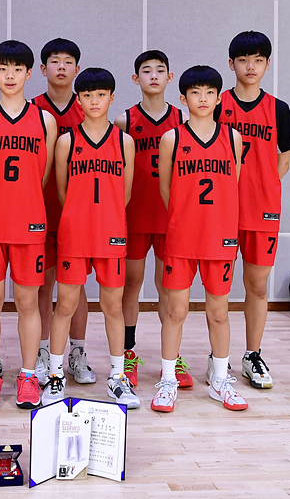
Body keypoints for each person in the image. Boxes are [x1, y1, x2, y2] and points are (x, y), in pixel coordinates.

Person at [152, 65, 247, 412]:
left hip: (219, 238)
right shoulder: (172, 138)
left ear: (219, 98)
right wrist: (185, 220)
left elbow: (232, 185)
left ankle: (220, 380)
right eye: (195, 92)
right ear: (183, 98)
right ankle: (168, 380)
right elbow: (166, 189)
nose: (202, 98)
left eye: (209, 92)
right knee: (175, 310)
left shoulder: (232, 138)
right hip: (183, 238)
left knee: (219, 312)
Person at [0, 40, 57, 410]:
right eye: (3, 68)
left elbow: (43, 175)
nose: (10, 75)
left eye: (17, 69)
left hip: (29, 224)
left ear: (29, 73)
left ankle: (27, 375)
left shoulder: (45, 121)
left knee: (27, 302)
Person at [45, 68, 138, 407]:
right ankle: (55, 376)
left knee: (113, 306)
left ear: (111, 98)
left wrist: (105, 218)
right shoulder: (66, 142)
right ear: (79, 99)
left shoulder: (124, 142)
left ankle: (117, 377)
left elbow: (124, 194)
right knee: (65, 304)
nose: (94, 101)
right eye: (87, 95)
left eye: (100, 95)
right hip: (75, 235)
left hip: (111, 235)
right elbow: (62, 191)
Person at [214, 31, 290, 389]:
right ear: (231, 63)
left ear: (267, 64)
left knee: (258, 286)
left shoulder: (279, 109)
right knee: (218, 289)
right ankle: (217, 358)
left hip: (262, 210)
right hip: (221, 211)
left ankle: (252, 355)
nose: (251, 66)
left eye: (258, 60)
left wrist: (259, 187)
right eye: (244, 60)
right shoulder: (216, 104)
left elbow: (284, 161)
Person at [112, 50, 187, 387]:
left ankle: (173, 357)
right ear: (135, 78)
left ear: (170, 77)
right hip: (134, 216)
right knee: (131, 285)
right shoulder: (124, 121)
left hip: (171, 217)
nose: (153, 76)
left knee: (168, 288)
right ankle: (128, 353)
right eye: (146, 70)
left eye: (160, 70)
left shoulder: (182, 119)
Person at [30, 38, 95, 387]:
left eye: (68, 61)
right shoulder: (32, 110)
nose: (61, 67)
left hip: (78, 214)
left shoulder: (89, 109)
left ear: (77, 69)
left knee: (75, 288)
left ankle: (78, 352)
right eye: (54, 61)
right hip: (39, 211)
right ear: (43, 69)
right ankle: (43, 352)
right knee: (43, 286)